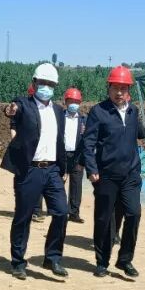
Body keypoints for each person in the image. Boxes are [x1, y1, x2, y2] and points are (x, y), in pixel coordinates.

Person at [2, 63, 69, 280]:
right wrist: (10, 110)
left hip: (52, 169)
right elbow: (13, 109)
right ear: (34, 83)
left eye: (50, 84)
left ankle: (52, 257)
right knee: (23, 216)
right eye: (42, 83)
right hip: (30, 170)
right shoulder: (24, 104)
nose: (46, 87)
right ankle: (18, 262)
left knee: (61, 212)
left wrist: (64, 168)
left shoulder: (58, 111)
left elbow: (60, 141)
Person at [82, 65, 145, 278]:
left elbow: (141, 134)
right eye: (115, 88)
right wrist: (91, 168)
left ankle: (125, 260)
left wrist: (137, 116)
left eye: (123, 88)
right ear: (108, 88)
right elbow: (88, 142)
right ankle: (102, 262)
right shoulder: (98, 112)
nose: (119, 92)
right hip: (106, 175)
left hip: (130, 175)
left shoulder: (133, 111)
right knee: (104, 219)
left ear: (129, 90)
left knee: (134, 213)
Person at [61, 88, 87, 223]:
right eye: (71, 101)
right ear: (65, 102)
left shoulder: (84, 120)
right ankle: (59, 210)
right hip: (62, 155)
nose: (73, 104)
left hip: (77, 156)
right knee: (59, 183)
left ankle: (73, 213)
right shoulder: (59, 117)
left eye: (76, 102)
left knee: (76, 185)